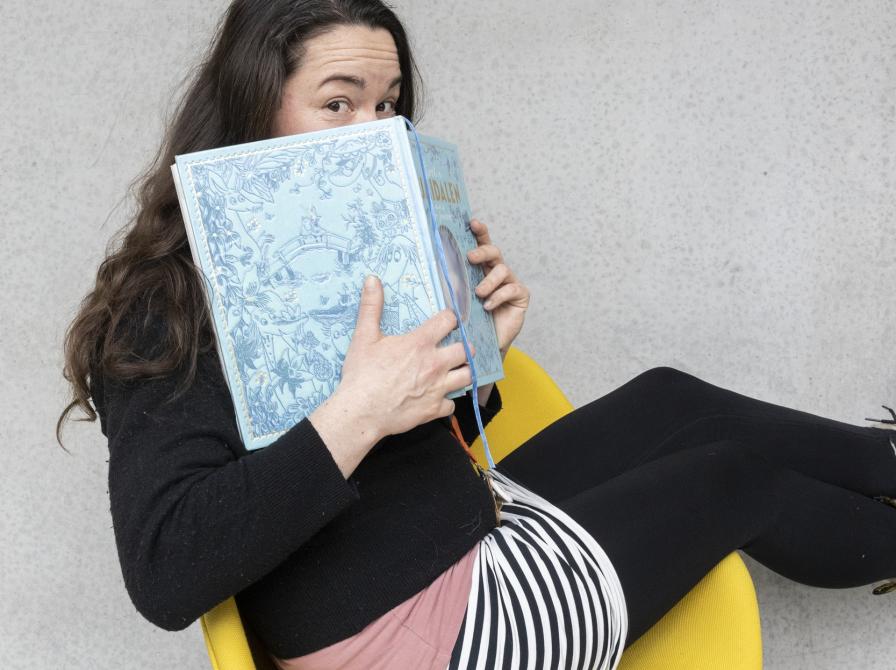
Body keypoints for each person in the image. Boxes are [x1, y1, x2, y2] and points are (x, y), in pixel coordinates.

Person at [57, 1, 896, 669]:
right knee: (735, 477)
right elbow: (167, 571)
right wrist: (360, 410)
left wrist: (477, 356)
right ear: (252, 108)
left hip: (449, 535)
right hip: (427, 634)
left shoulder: (352, 256)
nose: (372, 132)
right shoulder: (164, 304)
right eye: (337, 103)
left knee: (672, 400)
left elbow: (394, 467)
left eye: (387, 106)